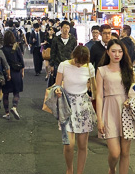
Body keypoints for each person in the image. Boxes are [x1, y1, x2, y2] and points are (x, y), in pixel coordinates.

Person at [96, 39, 135, 174]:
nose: (117, 54)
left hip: (127, 112)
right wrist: (99, 119)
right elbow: (98, 95)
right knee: (115, 153)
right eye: (114, 51)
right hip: (109, 111)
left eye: (120, 51)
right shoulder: (102, 70)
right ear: (108, 52)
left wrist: (131, 100)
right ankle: (112, 168)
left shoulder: (129, 71)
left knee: (125, 153)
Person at [54, 45, 97, 174]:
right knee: (69, 144)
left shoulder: (89, 68)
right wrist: (57, 90)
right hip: (67, 105)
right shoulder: (64, 65)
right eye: (78, 62)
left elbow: (95, 89)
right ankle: (69, 169)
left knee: (83, 145)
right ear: (74, 56)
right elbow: (57, 85)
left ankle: (79, 172)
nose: (79, 65)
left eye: (83, 63)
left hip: (83, 106)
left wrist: (95, 97)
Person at [0, 31, 25, 120]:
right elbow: (21, 62)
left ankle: (7, 113)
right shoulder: (16, 48)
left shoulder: (2, 50)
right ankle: (14, 107)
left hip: (6, 73)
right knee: (16, 92)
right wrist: (22, 71)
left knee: (5, 93)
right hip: (16, 72)